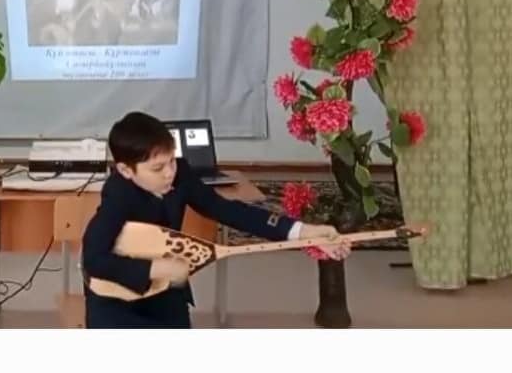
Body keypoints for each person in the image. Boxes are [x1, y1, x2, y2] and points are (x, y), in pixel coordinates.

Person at [81, 111, 351, 329]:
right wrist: (154, 268)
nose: (169, 173)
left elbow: (226, 210)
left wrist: (303, 232)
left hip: (166, 294)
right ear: (126, 170)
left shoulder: (180, 173)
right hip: (118, 301)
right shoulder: (118, 195)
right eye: (157, 168)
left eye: (171, 161)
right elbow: (94, 260)